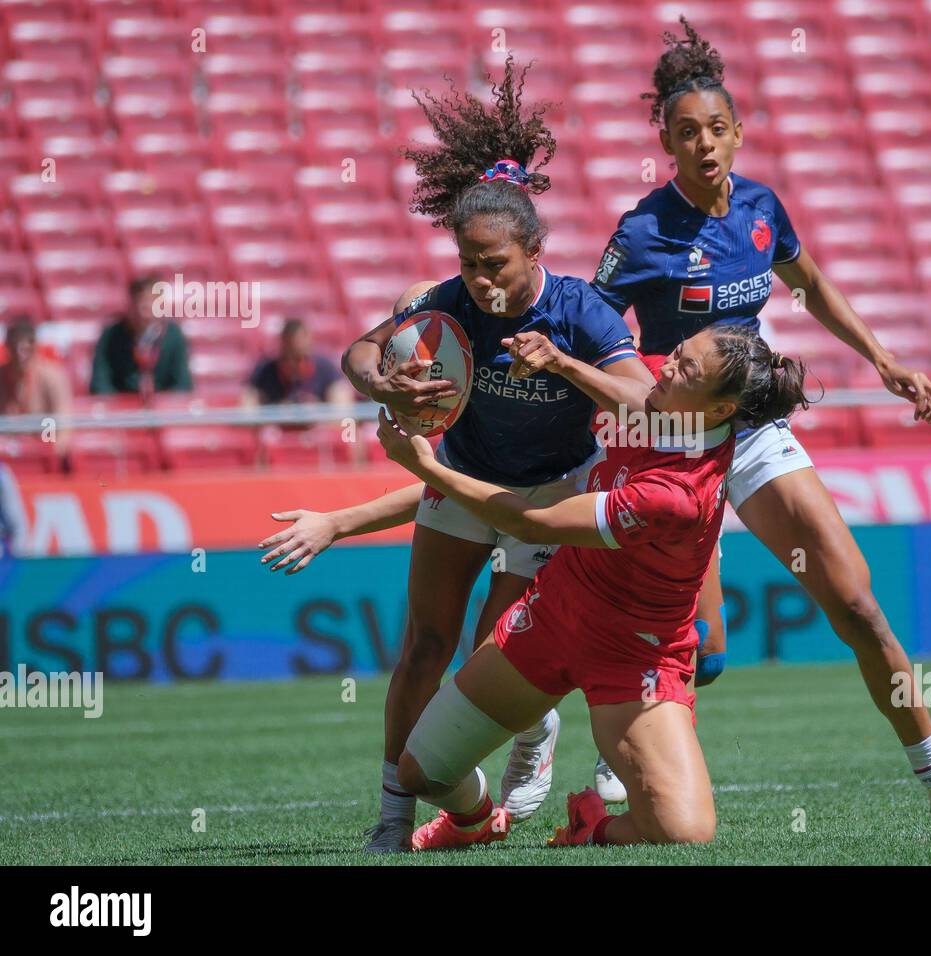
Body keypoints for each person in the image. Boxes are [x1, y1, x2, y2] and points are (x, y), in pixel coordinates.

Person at [583, 20, 931, 813]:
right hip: (674, 444)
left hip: (752, 434)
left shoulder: (760, 208)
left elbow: (810, 285)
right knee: (701, 651)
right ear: (665, 142)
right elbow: (593, 326)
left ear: (738, 132)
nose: (705, 144)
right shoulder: (642, 232)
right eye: (686, 133)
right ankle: (611, 758)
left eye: (717, 128)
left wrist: (884, 361)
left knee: (855, 603)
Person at [259, 58, 651, 852]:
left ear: (534, 249)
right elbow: (358, 357)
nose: (479, 279)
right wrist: (389, 382)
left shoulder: (581, 311)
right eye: (468, 262)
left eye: (494, 264)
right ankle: (395, 816)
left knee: (486, 661)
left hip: (549, 500)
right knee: (423, 649)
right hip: (461, 486)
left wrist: (567, 366)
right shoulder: (445, 305)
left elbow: (642, 398)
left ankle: (534, 728)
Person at [376, 323, 810, 849]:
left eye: (685, 368)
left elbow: (534, 523)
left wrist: (424, 466)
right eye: (677, 352)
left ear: (719, 411)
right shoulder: (667, 393)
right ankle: (476, 819)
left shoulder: (676, 493)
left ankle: (591, 826)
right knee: (421, 774)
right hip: (556, 614)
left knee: (684, 832)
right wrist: (555, 360)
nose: (666, 367)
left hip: (638, 655)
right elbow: (614, 374)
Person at [89, 275, 192, 396]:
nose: (145, 314)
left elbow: (183, 384)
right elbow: (100, 383)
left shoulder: (173, 335)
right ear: (131, 305)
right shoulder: (111, 336)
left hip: (165, 410)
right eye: (142, 304)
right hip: (122, 410)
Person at [243, 318, 352, 407]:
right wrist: (277, 413)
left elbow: (343, 413)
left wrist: (317, 413)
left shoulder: (326, 369)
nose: (295, 364)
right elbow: (247, 412)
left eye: (300, 357)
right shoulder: (264, 371)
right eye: (290, 356)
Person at [1, 318, 72, 418]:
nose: (21, 356)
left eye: (26, 350)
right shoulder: (2, 377)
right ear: (7, 347)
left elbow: (63, 425)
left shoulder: (51, 377)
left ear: (35, 348)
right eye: (14, 349)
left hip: (45, 433)